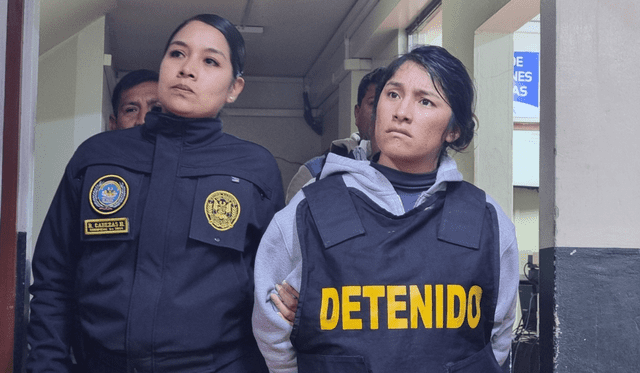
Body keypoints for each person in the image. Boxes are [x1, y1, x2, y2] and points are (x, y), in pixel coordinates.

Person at [27, 14, 283, 373]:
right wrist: (46, 365)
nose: (187, 69)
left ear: (234, 88)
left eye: (210, 61)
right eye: (177, 54)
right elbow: (54, 277)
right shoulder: (98, 156)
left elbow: (273, 292)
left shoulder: (254, 169)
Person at [252, 45, 519, 373]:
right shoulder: (311, 210)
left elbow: (496, 336)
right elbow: (271, 325)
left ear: (454, 129)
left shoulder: (485, 220)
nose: (402, 112)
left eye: (425, 101)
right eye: (393, 95)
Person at [284, 67, 386, 203]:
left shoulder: (416, 172)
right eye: (373, 103)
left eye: (388, 104)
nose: (380, 112)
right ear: (357, 113)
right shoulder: (314, 172)